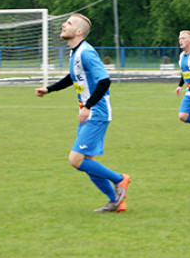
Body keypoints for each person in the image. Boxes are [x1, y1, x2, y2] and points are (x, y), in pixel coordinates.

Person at [35, 13, 130, 213]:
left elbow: (104, 81)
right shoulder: (75, 52)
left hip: (97, 113)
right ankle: (115, 202)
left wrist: (88, 106)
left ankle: (120, 179)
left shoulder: (86, 52)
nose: (63, 24)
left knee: (75, 160)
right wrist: (49, 89)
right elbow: (72, 77)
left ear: (78, 32)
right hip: (88, 113)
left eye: (68, 23)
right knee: (88, 162)